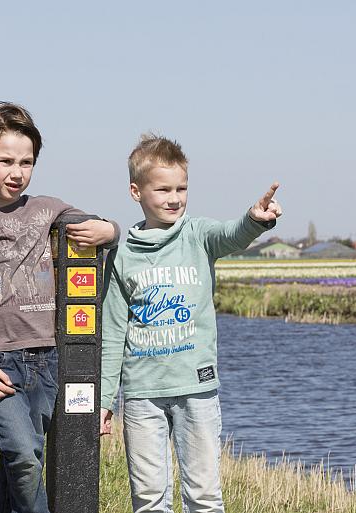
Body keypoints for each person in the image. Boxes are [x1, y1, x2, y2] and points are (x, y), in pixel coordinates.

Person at [0, 101, 119, 513]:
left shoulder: (48, 209)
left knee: (22, 461)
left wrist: (110, 229)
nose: (16, 172)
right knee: (23, 455)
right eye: (5, 161)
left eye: (27, 162)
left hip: (46, 358)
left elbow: (101, 228)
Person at [99, 134, 282, 513]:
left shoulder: (197, 235)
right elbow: (114, 331)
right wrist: (104, 400)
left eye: (182, 188)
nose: (175, 197)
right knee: (149, 498)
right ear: (136, 191)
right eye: (163, 189)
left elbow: (231, 235)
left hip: (196, 387)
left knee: (204, 496)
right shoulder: (121, 254)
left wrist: (254, 220)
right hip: (141, 393)